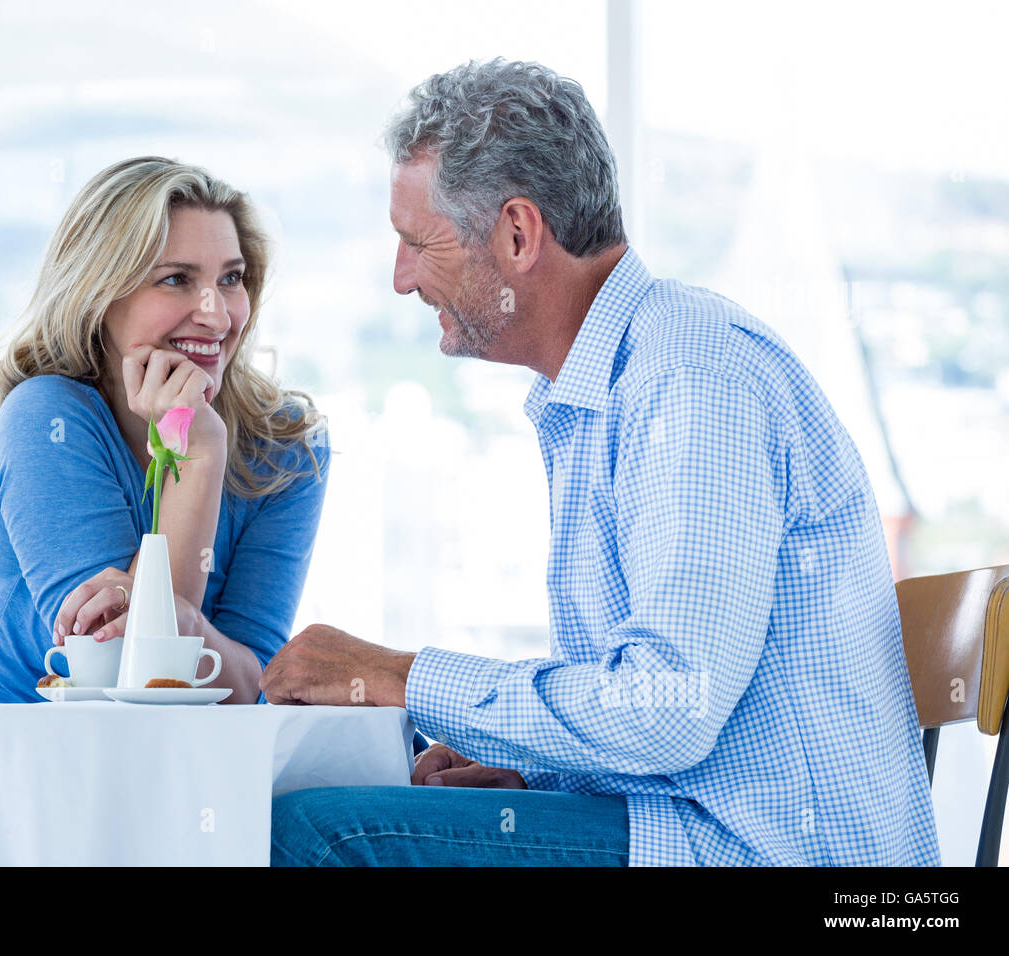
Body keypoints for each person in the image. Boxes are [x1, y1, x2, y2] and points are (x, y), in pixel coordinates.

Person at [263, 58, 941, 866]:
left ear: (518, 234)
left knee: (312, 833)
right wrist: (533, 773)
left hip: (777, 856)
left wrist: (401, 676)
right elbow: (661, 710)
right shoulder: (617, 381)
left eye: (418, 243)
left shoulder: (689, 380)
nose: (402, 279)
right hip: (708, 827)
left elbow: (669, 709)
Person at [0, 157, 329, 705]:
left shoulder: (287, 446)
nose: (216, 315)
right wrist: (197, 456)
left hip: (170, 767)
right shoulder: (47, 420)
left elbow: (257, 686)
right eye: (176, 280)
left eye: (230, 279)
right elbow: (124, 675)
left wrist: (185, 625)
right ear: (98, 296)